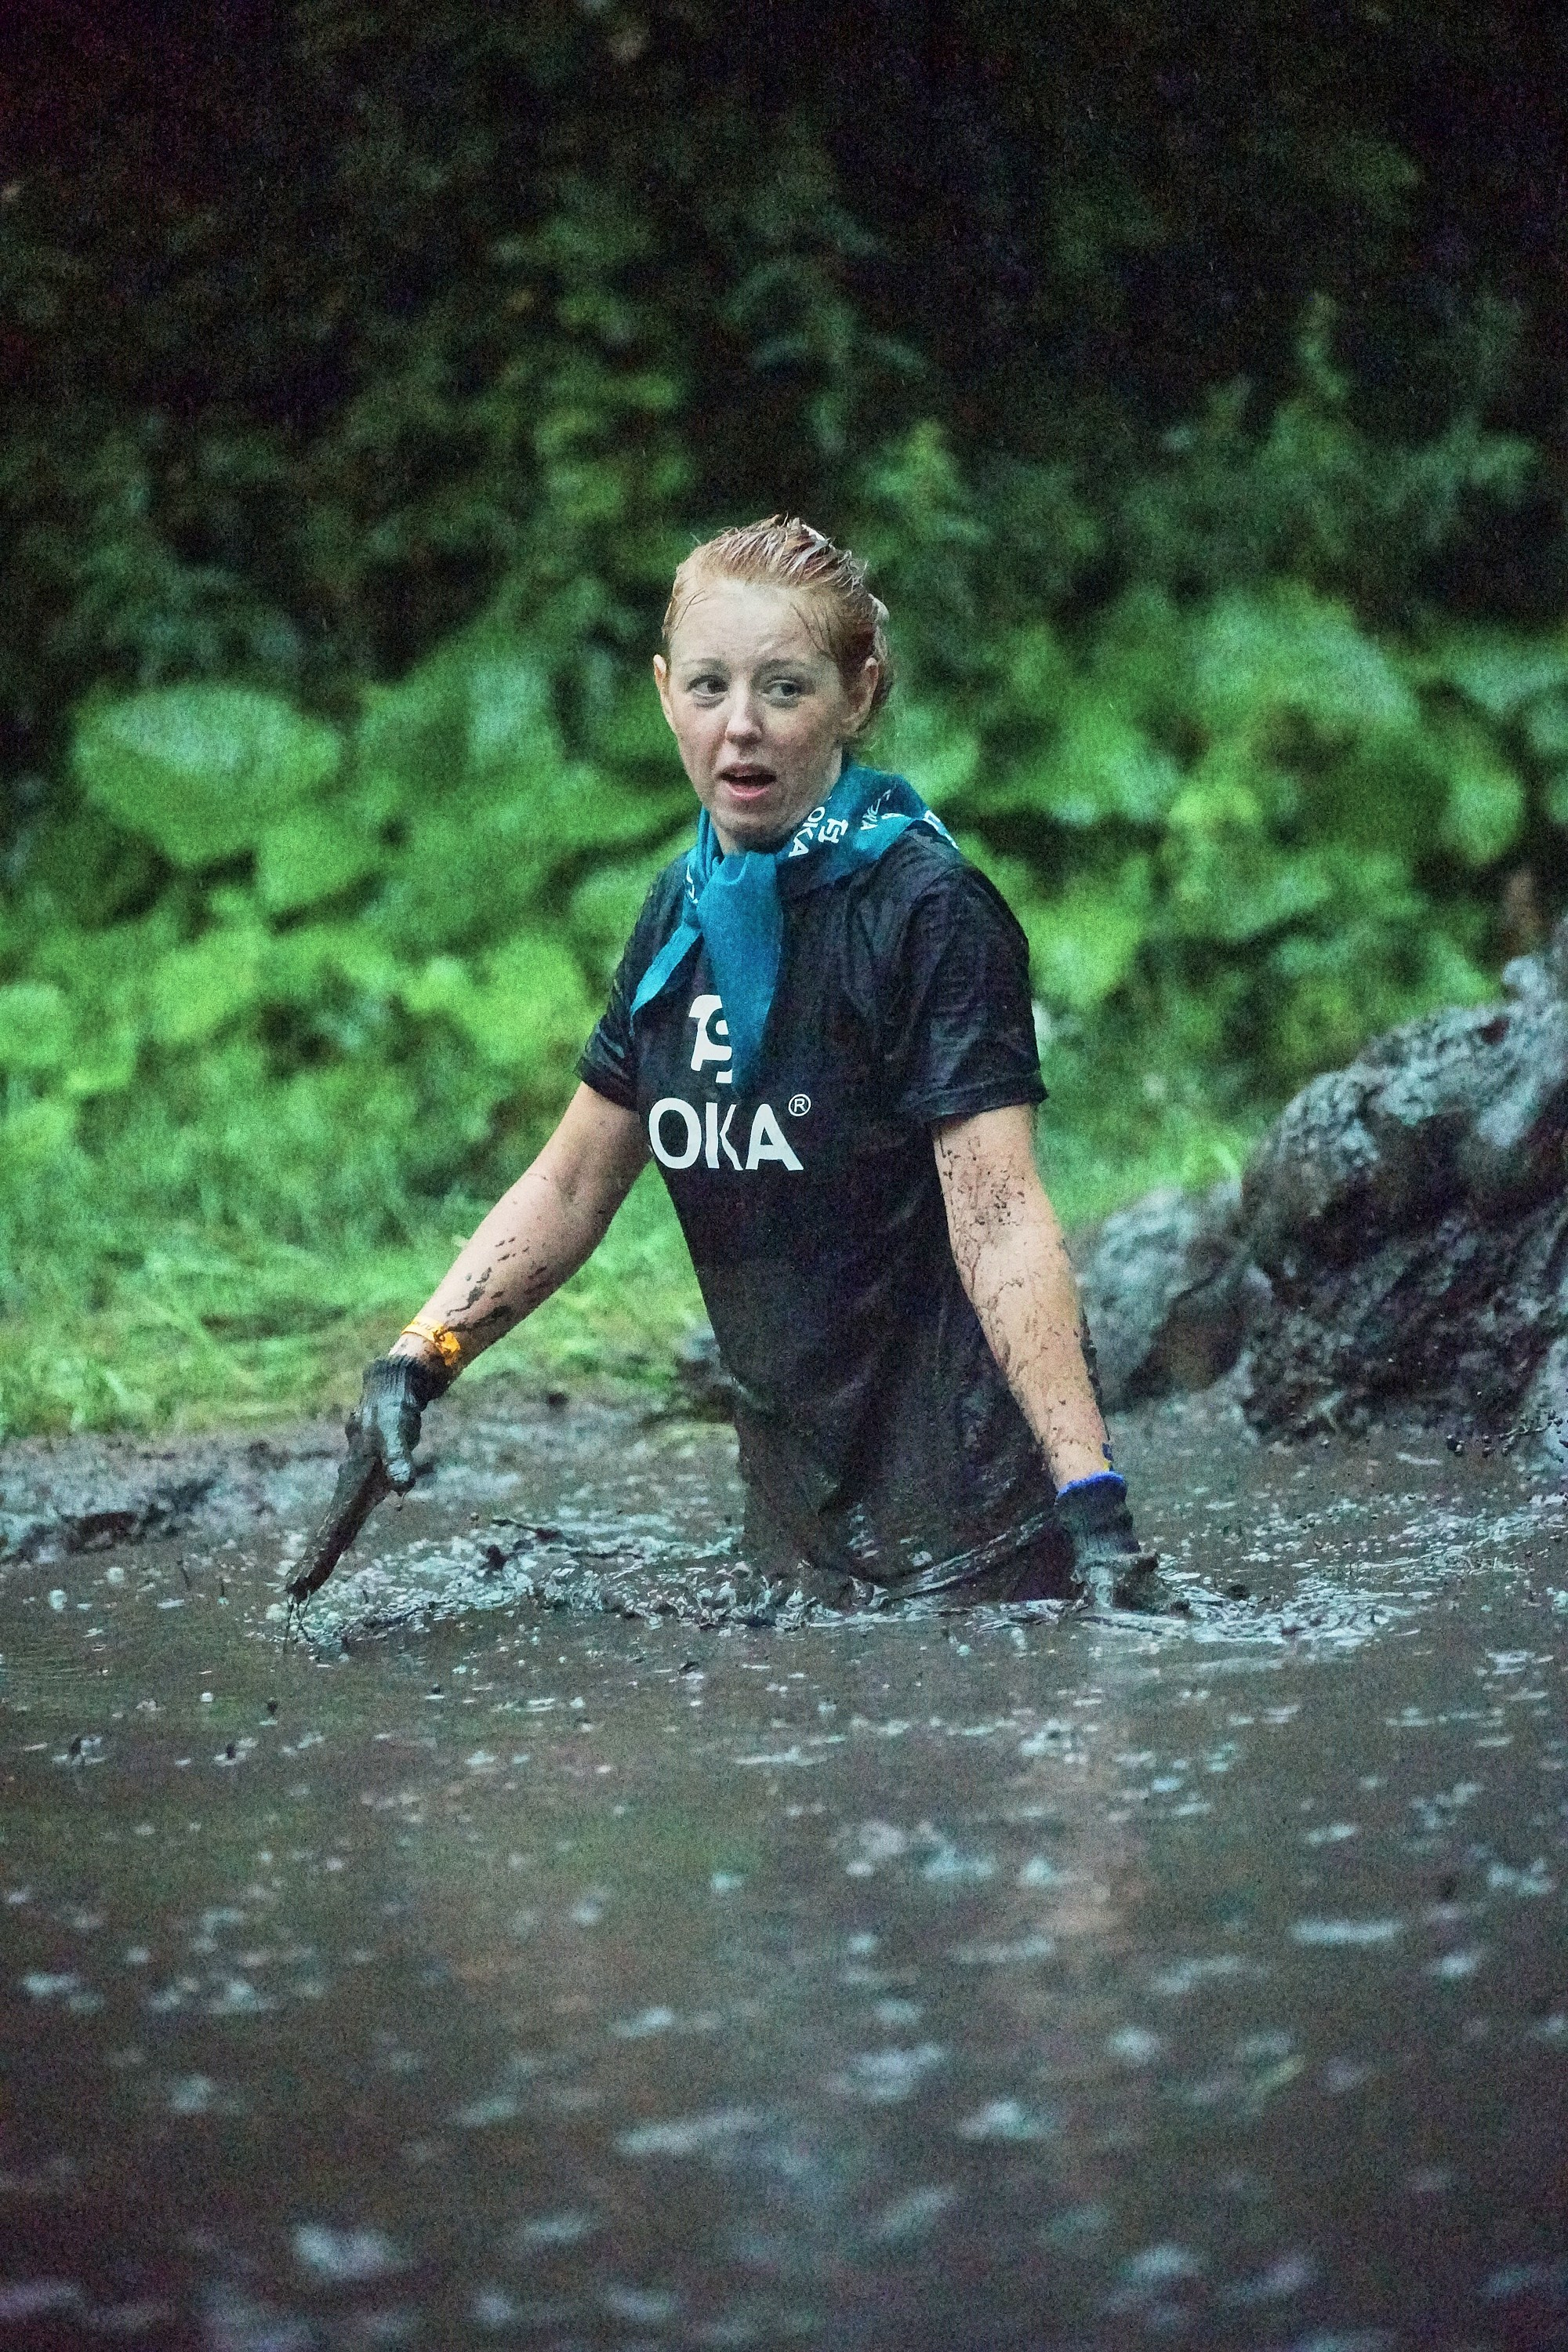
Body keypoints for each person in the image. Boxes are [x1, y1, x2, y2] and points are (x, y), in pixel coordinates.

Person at [342, 517, 1171, 1612]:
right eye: (708, 687)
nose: (742, 728)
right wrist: (421, 1355)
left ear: (857, 695)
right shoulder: (679, 911)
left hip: (977, 1539)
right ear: (662, 694)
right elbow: (576, 1179)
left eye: (784, 689)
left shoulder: (928, 912)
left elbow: (1000, 1212)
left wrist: (1098, 1516)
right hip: (792, 1538)